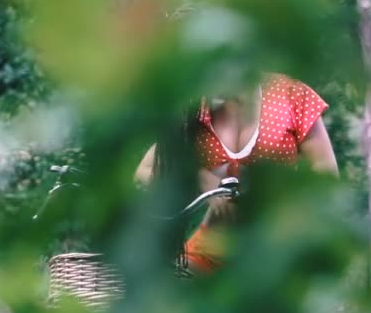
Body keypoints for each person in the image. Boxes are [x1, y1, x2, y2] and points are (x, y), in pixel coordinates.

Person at [135, 73, 339, 272]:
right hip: (212, 248)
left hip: (280, 252)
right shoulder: (194, 109)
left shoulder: (290, 95)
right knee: (173, 289)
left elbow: (327, 177)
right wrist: (203, 179)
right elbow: (144, 171)